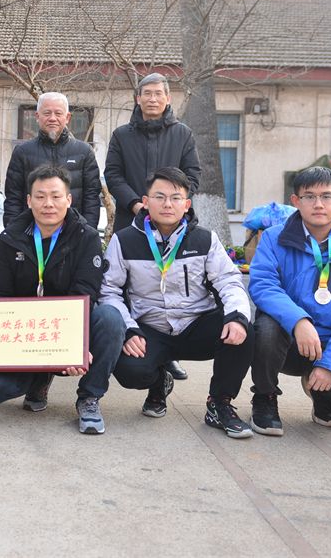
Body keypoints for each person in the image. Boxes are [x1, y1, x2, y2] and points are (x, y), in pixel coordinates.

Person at [102, 167, 255, 438]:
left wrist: (237, 317)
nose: (167, 204)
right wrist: (128, 329)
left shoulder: (204, 239)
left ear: (186, 204)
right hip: (149, 328)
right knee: (129, 370)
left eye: (175, 198)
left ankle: (219, 403)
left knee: (244, 332)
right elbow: (109, 290)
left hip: (196, 324)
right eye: (159, 197)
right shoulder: (123, 241)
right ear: (146, 202)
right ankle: (159, 381)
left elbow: (229, 281)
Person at [0, 165, 124, 435]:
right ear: (29, 201)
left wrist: (73, 346)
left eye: (56, 196)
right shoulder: (10, 239)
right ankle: (39, 378)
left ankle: (89, 396)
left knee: (111, 319)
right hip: (28, 332)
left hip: (68, 328)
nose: (48, 204)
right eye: (40, 196)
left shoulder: (87, 237)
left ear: (69, 199)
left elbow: (85, 293)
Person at [248, 166, 331, 436]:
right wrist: (298, 321)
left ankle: (323, 394)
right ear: (296, 201)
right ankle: (265, 397)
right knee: (266, 328)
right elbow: (263, 285)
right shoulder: (274, 238)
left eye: (327, 196)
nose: (318, 204)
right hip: (287, 340)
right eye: (309, 196)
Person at [104, 72, 201, 381]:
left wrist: (169, 203)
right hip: (132, 220)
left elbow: (193, 175)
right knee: (131, 286)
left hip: (174, 224)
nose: (153, 99)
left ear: (168, 98)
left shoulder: (182, 134)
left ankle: (169, 355)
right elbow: (112, 174)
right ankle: (133, 341)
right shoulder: (122, 135)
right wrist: (137, 204)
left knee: (170, 286)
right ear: (138, 98)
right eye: (147, 93)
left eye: (159, 93)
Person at [3, 92, 101, 228]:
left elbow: (92, 198)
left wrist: (87, 231)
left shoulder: (84, 152)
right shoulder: (22, 152)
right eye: (47, 113)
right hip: (32, 231)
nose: (52, 118)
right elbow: (13, 197)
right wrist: (14, 232)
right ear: (37, 116)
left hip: (74, 231)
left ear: (67, 117)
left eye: (58, 113)